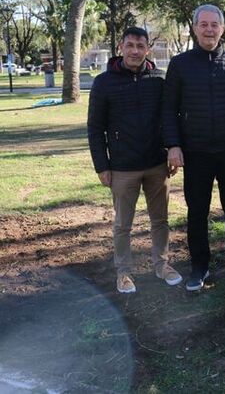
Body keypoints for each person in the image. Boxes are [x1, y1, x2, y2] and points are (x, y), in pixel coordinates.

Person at [163, 4, 225, 292]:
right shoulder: (180, 65)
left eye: (214, 25)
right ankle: (199, 265)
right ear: (194, 28)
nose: (209, 29)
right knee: (197, 212)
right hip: (195, 153)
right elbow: (168, 109)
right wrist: (173, 145)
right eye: (203, 24)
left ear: (222, 28)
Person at [87, 26, 182, 294]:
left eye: (140, 46)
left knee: (160, 220)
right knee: (123, 224)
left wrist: (172, 150)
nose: (135, 51)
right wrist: (102, 166)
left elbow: (168, 119)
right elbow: (95, 128)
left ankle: (162, 264)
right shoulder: (104, 82)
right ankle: (124, 272)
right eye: (130, 45)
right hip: (122, 167)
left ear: (147, 49)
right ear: (121, 47)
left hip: (156, 164)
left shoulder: (158, 80)